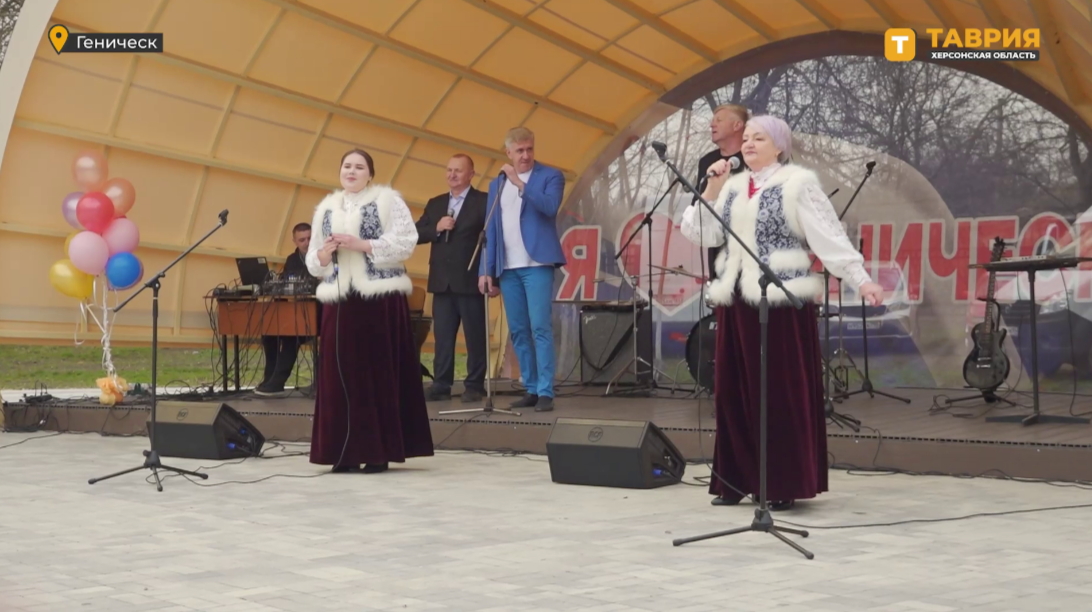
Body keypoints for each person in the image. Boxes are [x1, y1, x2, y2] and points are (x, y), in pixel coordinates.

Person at [680, 115, 884, 510]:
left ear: (779, 147)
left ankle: (780, 482)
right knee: (733, 390)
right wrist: (711, 188)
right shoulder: (732, 186)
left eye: (759, 138)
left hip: (780, 299)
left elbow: (829, 237)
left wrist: (861, 280)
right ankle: (736, 479)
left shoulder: (796, 185)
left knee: (777, 391)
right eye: (747, 138)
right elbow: (702, 233)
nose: (749, 144)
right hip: (737, 300)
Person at [305, 148, 434, 473]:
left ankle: (378, 451)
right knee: (338, 374)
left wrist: (363, 245)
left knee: (375, 372)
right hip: (339, 299)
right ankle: (343, 451)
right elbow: (313, 259)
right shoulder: (327, 207)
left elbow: (407, 241)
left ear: (370, 174)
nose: (351, 171)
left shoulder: (388, 201)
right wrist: (324, 254)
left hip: (379, 299)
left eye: (359, 167)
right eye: (347, 166)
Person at [478, 127, 565, 412]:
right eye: (519, 151)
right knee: (518, 330)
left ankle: (546, 391)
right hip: (508, 267)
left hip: (537, 263)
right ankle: (531, 386)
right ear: (508, 153)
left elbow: (550, 206)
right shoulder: (496, 185)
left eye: (529, 149)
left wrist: (519, 183)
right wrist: (486, 270)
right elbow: (490, 227)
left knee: (540, 327)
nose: (525, 155)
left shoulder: (550, 176)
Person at [416, 154, 488, 403]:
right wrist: (436, 227)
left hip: (471, 279)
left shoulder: (483, 202)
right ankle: (441, 385)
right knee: (443, 337)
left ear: (471, 174)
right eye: (449, 170)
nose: (452, 175)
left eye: (458, 170)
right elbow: (415, 233)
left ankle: (475, 385)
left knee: (475, 336)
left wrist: (490, 274)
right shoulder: (436, 203)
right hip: (441, 282)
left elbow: (493, 240)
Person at [256, 223, 313, 396]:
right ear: (294, 241)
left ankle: (277, 382)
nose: (307, 243)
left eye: (309, 238)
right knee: (269, 334)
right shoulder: (292, 260)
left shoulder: (322, 256)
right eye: (302, 240)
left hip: (316, 315)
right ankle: (269, 378)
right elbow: (287, 283)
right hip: (296, 312)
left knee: (291, 337)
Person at [693, 104, 749, 280]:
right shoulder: (707, 162)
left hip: (750, 252)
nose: (712, 124)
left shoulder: (753, 158)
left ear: (737, 125)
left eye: (719, 120)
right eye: (712, 120)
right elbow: (698, 207)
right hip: (718, 251)